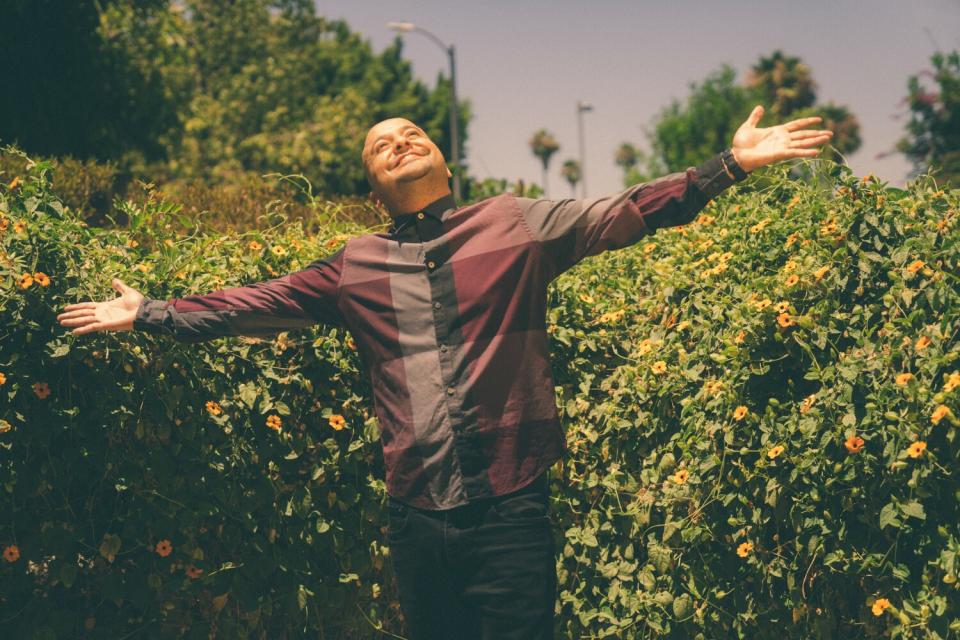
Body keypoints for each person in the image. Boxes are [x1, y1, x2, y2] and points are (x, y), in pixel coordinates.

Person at [57, 104, 832, 639]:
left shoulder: (515, 224)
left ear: (442, 164)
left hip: (512, 507)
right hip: (417, 519)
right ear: (372, 187)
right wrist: (150, 311)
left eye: (412, 132)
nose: (400, 141)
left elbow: (628, 209)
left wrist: (730, 164)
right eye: (381, 144)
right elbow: (251, 304)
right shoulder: (354, 267)